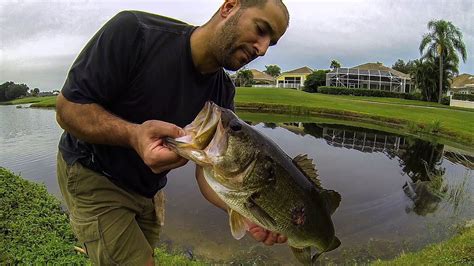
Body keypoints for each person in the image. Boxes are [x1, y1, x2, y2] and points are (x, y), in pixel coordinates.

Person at [56, 0, 290, 264]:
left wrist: (241, 209)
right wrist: (134, 136)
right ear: (229, 7)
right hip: (94, 172)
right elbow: (67, 109)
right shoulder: (135, 32)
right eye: (261, 29)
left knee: (144, 255)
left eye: (271, 43)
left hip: (150, 188)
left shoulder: (223, 93)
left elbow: (208, 170)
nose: (262, 49)